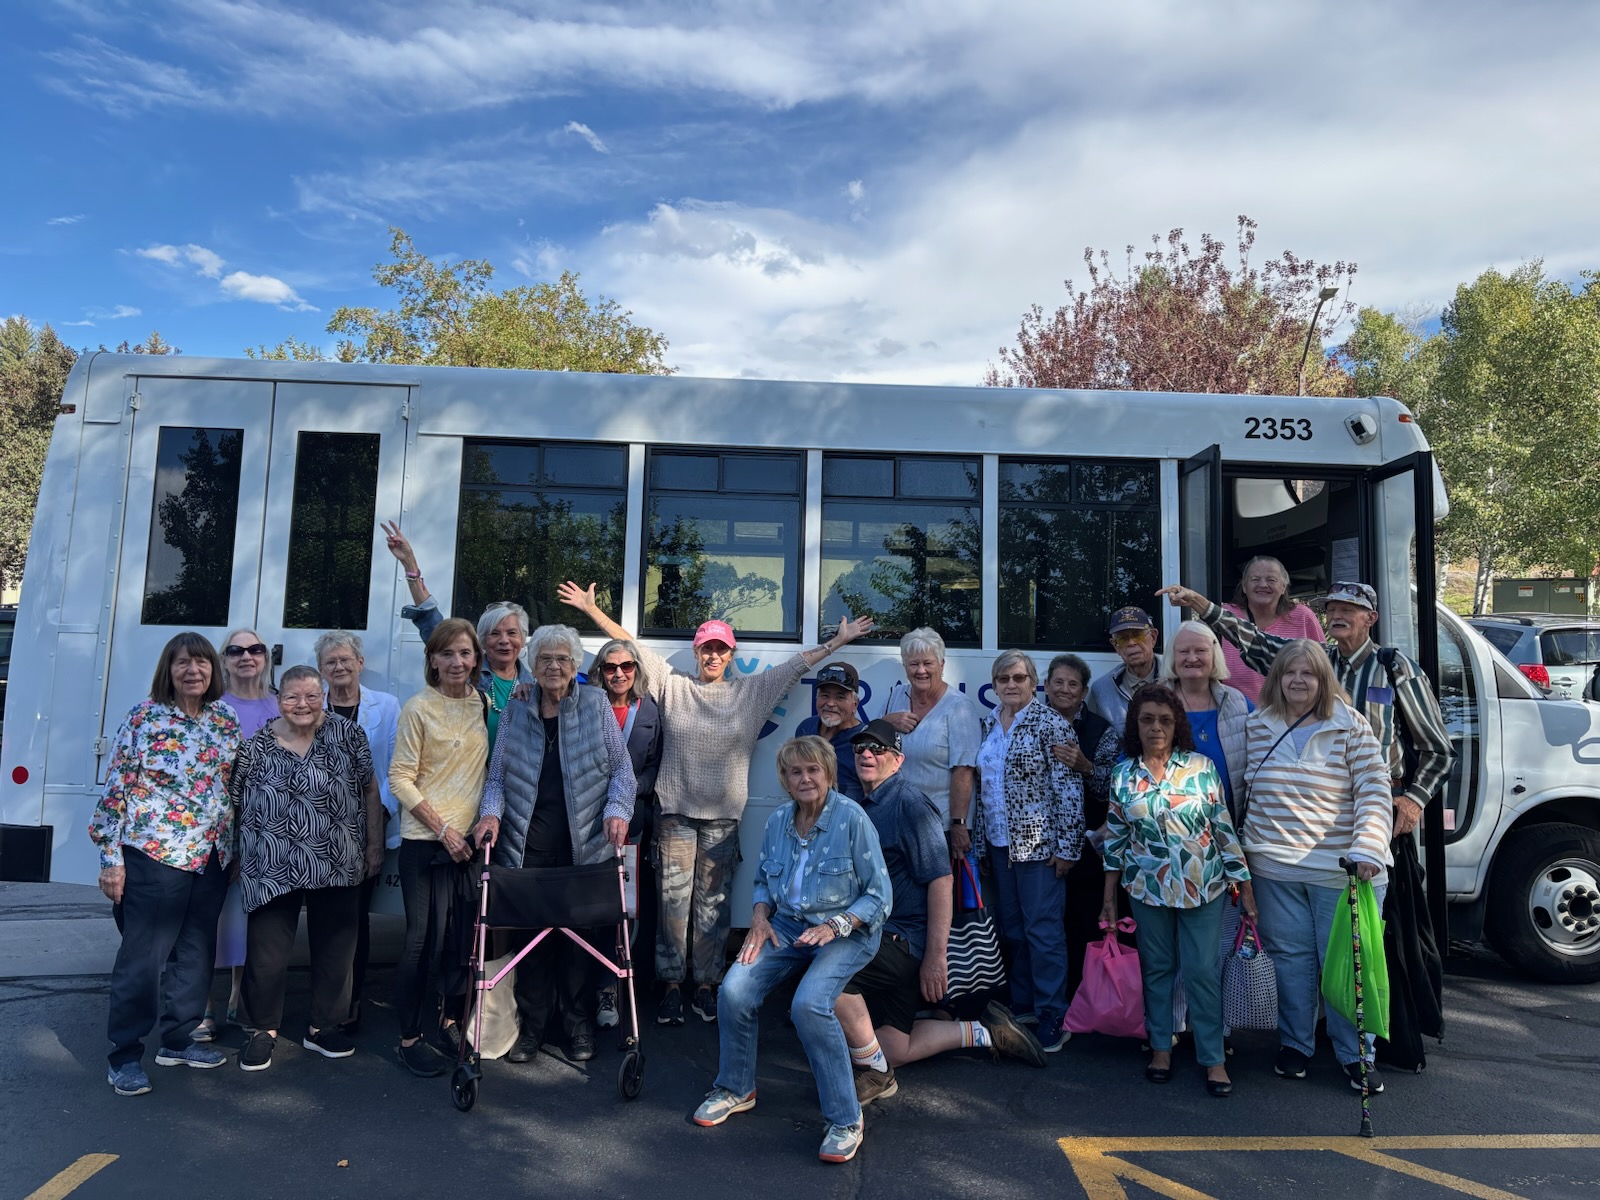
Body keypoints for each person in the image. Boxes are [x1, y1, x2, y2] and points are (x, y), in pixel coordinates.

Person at [557, 579, 875, 1027]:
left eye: (720, 650)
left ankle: (705, 985)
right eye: (706, 649)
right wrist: (592, 610)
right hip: (674, 818)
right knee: (671, 906)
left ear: (730, 655)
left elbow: (794, 666)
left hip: (723, 821)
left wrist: (836, 643)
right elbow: (629, 644)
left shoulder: (751, 693)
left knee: (713, 907)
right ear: (695, 651)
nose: (712, 656)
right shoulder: (671, 685)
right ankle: (669, 986)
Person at [690, 736, 891, 1165]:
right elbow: (764, 880)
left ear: (828, 774)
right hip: (786, 925)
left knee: (809, 1005)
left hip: (846, 930)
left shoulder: (852, 818)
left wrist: (836, 926)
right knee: (734, 990)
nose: (804, 779)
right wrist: (759, 918)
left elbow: (879, 896)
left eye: (812, 770)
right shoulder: (780, 819)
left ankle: (844, 1118)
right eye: (795, 772)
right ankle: (736, 1088)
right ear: (784, 778)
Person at [835, 719, 1045, 1106]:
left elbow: (941, 880)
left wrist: (935, 958)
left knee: (828, 977)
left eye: (878, 749)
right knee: (893, 1048)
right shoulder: (857, 804)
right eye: (860, 748)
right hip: (877, 937)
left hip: (901, 941)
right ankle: (985, 1031)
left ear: (897, 761)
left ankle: (873, 1074)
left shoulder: (909, 805)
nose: (866, 754)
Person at [1157, 581, 1452, 838]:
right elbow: (1256, 641)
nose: (1336, 616)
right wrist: (1200, 603)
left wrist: (1414, 800)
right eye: (1331, 609)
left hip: (1375, 807)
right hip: (1314, 810)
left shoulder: (1394, 668)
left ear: (1370, 618)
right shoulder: (1312, 660)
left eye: (1347, 610)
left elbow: (1438, 750)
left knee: (1367, 897)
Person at [472, 625, 635, 1065]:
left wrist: (617, 810)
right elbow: (499, 777)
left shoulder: (597, 704)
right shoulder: (516, 710)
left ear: (577, 665)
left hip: (583, 847)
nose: (554, 666)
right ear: (533, 663)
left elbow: (622, 771)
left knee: (579, 940)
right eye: (545, 658)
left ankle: (578, 1025)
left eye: (563, 659)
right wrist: (489, 813)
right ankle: (534, 1027)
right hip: (528, 846)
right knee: (534, 943)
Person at [89, 632, 239, 1096]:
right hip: (155, 853)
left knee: (195, 951)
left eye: (201, 663)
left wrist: (231, 846)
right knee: (143, 958)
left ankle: (177, 1039)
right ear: (167, 671)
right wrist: (111, 858)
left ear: (213, 670)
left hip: (211, 855)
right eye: (182, 663)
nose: (193, 670)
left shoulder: (225, 718)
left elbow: (228, 787)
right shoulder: (144, 716)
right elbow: (117, 788)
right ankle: (125, 1055)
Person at [1242, 639, 1393, 1089]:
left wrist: (1368, 845)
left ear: (1324, 678)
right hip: (1273, 867)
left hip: (1340, 869)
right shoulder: (1257, 724)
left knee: (1347, 963)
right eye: (1289, 672)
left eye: (1308, 673)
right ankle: (1295, 1045)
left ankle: (1356, 1054)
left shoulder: (1350, 724)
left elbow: (1373, 787)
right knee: (1291, 960)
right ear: (1277, 679)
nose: (1298, 680)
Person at [231, 666, 385, 1071]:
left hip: (337, 858)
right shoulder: (257, 744)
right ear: (278, 699)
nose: (302, 705)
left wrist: (374, 844)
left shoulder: (347, 735)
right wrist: (232, 853)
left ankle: (324, 1027)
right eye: (292, 697)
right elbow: (235, 800)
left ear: (324, 696)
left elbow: (370, 788)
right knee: (266, 952)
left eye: (311, 696)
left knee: (336, 949)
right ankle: (261, 1029)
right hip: (271, 864)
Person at [1102, 685, 1253, 1098]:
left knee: (1202, 971)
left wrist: (1245, 887)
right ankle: (1160, 1046)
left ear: (1177, 725)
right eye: (1147, 719)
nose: (1156, 727)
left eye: (1165, 720)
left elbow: (1224, 830)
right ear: (1136, 723)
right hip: (1146, 888)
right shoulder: (1123, 775)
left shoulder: (1202, 768)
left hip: (1203, 887)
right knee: (1157, 969)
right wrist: (1109, 898)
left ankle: (1212, 1057)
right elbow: (1115, 841)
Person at [389, 617, 492, 1077]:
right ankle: (408, 1036)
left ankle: (449, 1020)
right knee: (420, 943)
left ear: (476, 661)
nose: (456, 662)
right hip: (426, 844)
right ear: (432, 659)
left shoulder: (482, 703)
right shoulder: (418, 708)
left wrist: (468, 834)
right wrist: (445, 830)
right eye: (447, 653)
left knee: (459, 941)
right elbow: (399, 778)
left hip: (470, 847)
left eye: (465, 653)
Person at [972, 650, 1085, 1052]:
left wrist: (1068, 848)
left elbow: (1069, 790)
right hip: (1000, 846)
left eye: (1019, 677)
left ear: (1033, 682)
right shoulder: (990, 723)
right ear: (994, 684)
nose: (1011, 684)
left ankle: (1054, 1011)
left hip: (1039, 848)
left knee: (1044, 932)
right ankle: (1024, 1004)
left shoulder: (1050, 724)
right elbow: (984, 789)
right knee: (1013, 929)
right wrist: (981, 840)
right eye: (1003, 678)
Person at [315, 630, 402, 1033]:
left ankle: (351, 1002)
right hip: (317, 832)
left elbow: (396, 766)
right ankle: (325, 1002)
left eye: (346, 660)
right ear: (321, 669)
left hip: (368, 827)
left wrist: (378, 816)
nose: (339, 667)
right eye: (331, 662)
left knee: (354, 920)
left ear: (360, 664)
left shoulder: (386, 706)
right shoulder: (310, 707)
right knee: (324, 919)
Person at [382, 520, 534, 749]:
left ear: (522, 639)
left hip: (513, 781)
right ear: (482, 641)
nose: (504, 640)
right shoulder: (470, 673)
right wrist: (410, 567)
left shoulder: (532, 683)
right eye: (494, 633)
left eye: (512, 633)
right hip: (470, 779)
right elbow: (433, 623)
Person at [194, 627, 278, 1042]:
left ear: (266, 657)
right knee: (208, 918)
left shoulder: (282, 705)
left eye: (256, 649)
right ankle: (203, 1006)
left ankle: (238, 999)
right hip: (217, 831)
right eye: (237, 651)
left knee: (252, 921)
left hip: (265, 834)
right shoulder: (211, 708)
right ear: (224, 660)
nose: (247, 656)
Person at [587, 636, 665, 1026]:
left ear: (636, 670)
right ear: (599, 671)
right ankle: (587, 986)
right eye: (610, 667)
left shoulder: (649, 709)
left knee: (626, 909)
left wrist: (631, 788)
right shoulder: (583, 705)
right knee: (588, 907)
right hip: (585, 824)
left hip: (631, 825)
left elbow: (656, 765)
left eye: (626, 667)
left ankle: (614, 990)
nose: (619, 674)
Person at [1043, 654, 1123, 999]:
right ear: (1045, 687)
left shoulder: (1101, 730)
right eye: (1058, 682)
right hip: (1042, 845)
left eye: (1072, 684)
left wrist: (1086, 767)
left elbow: (1111, 790)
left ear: (1084, 691)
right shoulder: (1030, 724)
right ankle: (1054, 1000)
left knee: (1083, 922)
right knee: (1047, 926)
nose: (1064, 689)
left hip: (1088, 846)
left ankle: (1089, 1000)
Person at [879, 627, 982, 846]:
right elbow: (868, 742)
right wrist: (888, 722)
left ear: (942, 665)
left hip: (938, 826)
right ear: (905, 667)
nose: (921, 670)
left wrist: (959, 824)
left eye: (928, 663)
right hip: (896, 820)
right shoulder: (895, 696)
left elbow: (964, 772)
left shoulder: (959, 707)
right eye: (914, 664)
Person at [1157, 622, 1253, 822]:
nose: (1192, 658)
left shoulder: (1238, 703)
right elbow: (1129, 759)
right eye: (1184, 651)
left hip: (1227, 826)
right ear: (1172, 657)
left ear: (1214, 654)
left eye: (1201, 650)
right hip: (1167, 828)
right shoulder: (1153, 702)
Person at [1218, 557, 1324, 705]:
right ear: (1244, 586)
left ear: (1283, 587)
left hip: (1292, 717)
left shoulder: (1303, 617)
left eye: (1271, 580)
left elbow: (1325, 667)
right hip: (1237, 717)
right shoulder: (1225, 616)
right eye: (1255, 579)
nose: (1263, 585)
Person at [797, 661, 869, 801]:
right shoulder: (805, 729)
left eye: (840, 697)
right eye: (825, 695)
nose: (830, 703)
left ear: (855, 704)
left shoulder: (865, 743)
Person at [1087, 607, 1164, 729]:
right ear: (1115, 646)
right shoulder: (1101, 690)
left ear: (1153, 638)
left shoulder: (1176, 677)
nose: (1131, 643)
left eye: (1137, 635)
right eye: (1123, 638)